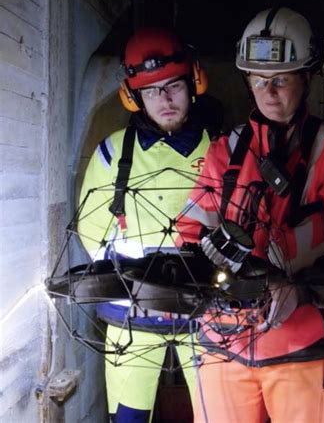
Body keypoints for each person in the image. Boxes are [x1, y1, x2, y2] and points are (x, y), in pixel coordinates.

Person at [177, 7, 324, 423]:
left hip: (306, 347)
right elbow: (191, 232)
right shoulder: (224, 152)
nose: (268, 92)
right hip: (225, 345)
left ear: (307, 78)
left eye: (281, 80)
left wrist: (302, 291)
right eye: (258, 80)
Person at [77, 27, 222, 422]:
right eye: (152, 90)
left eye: (173, 85)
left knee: (221, 413)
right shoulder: (112, 152)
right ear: (134, 96)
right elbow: (92, 233)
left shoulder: (224, 150)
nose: (165, 99)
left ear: (193, 84)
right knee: (128, 417)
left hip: (206, 311)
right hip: (132, 313)